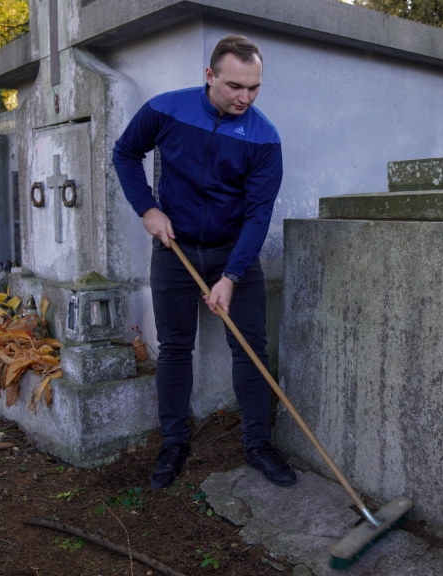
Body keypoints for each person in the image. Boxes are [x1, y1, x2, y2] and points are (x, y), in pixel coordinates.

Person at [112, 35, 295, 490]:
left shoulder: (264, 138)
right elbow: (126, 152)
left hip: (234, 250)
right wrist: (147, 208)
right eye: (235, 86)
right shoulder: (166, 110)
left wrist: (232, 275)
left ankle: (258, 445)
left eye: (254, 87)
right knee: (175, 348)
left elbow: (258, 215)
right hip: (174, 249)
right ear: (210, 75)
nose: (245, 98)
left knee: (249, 348)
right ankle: (174, 442)